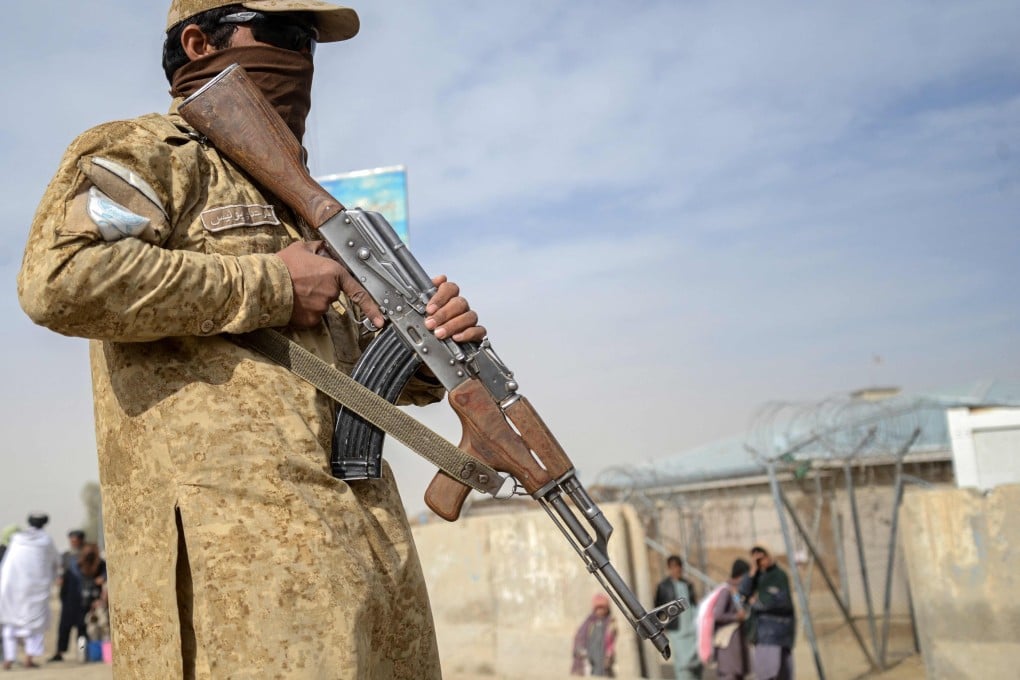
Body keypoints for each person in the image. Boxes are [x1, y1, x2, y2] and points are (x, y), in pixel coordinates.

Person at [17, 2, 487, 678]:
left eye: (308, 44)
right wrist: (269, 284)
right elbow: (61, 277)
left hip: (368, 564)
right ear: (198, 41)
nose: (301, 60)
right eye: (284, 37)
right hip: (243, 589)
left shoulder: (300, 201)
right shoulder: (144, 153)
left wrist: (431, 346)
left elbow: (353, 361)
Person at [0, 514, 60, 670]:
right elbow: (56, 562)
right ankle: (28, 658)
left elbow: (9, 564)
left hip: (12, 586)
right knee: (34, 623)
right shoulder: (46, 541)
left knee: (10, 622)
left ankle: (8, 659)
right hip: (35, 589)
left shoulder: (16, 539)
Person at [739, 546, 795, 680]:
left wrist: (758, 603)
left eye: (762, 557)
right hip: (762, 634)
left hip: (779, 631)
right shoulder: (754, 576)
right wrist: (752, 572)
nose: (760, 561)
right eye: (756, 559)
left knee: (780, 674)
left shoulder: (779, 575)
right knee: (766, 675)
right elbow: (743, 594)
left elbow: (782, 602)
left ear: (769, 556)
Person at [654, 555, 701, 679]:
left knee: (696, 661)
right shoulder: (663, 586)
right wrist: (662, 626)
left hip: (691, 628)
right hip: (676, 630)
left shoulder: (688, 584)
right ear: (669, 568)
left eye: (678, 567)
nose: (676, 570)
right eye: (673, 567)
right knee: (682, 663)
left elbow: (694, 604)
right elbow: (658, 609)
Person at [50, 529, 86, 662]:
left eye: (75, 540)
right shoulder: (66, 555)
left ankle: (82, 653)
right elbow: (60, 570)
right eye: (71, 540)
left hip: (83, 596)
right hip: (68, 595)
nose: (73, 543)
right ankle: (59, 652)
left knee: (82, 627)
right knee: (64, 626)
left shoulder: (87, 553)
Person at [712, 559, 751, 680]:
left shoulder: (738, 591)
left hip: (737, 647)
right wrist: (735, 617)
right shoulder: (726, 591)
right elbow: (717, 615)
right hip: (727, 647)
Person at [570, 592, 617, 677]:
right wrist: (581, 649)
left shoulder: (609, 622)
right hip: (589, 655)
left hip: (602, 655)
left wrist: (609, 653)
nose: (600, 611)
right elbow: (580, 635)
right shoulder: (589, 621)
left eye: (603, 608)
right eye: (598, 608)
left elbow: (611, 640)